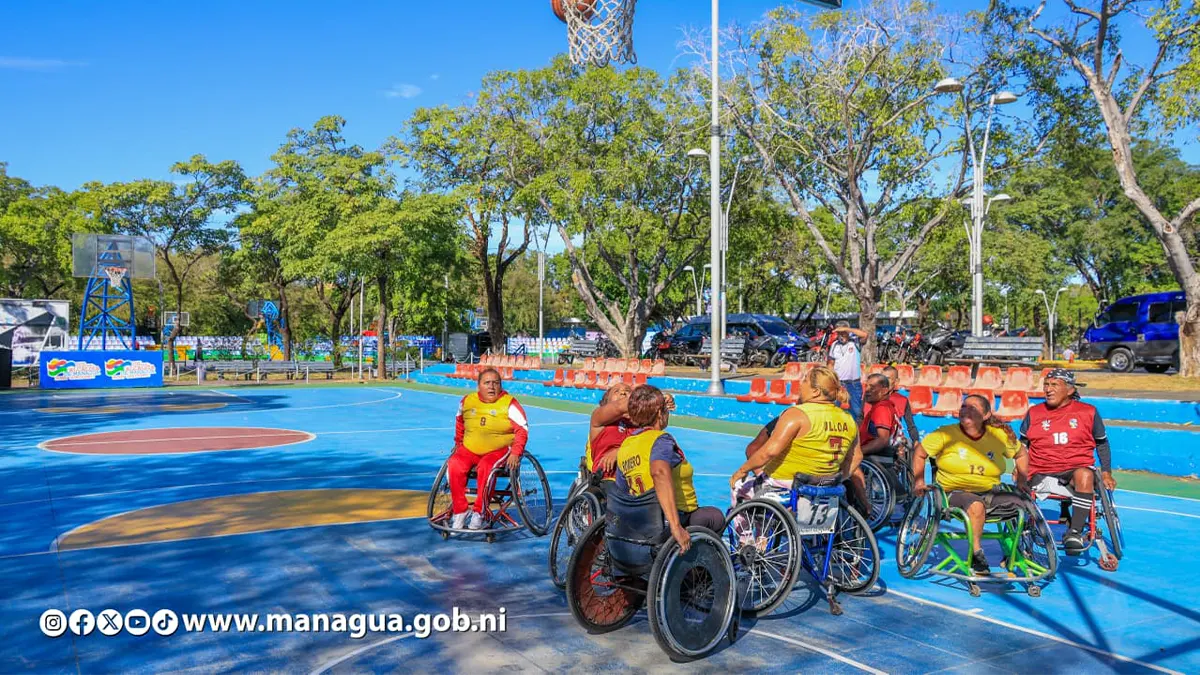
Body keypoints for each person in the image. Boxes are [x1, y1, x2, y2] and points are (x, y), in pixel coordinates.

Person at [911, 394, 1029, 576]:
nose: (965, 410)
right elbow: (919, 453)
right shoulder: (945, 433)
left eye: (972, 408)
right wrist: (919, 481)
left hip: (991, 492)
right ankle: (976, 554)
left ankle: (1017, 551)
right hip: (954, 492)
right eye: (963, 407)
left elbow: (1021, 454)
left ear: (986, 415)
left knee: (1025, 503)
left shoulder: (999, 436)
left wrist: (1022, 480)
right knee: (975, 505)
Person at [731, 366, 865, 509]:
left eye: (805, 380)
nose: (800, 384)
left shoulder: (797, 414)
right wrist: (839, 478)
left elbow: (769, 452)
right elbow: (857, 457)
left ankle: (746, 524)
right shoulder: (848, 419)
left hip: (786, 484)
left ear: (816, 391)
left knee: (739, 487)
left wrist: (742, 470)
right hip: (826, 487)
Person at [1017, 368, 1115, 555]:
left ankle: (1074, 533)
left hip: (1074, 470)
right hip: (1041, 471)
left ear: (1070, 390)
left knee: (1085, 474)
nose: (1048, 389)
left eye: (1054, 385)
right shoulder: (1034, 413)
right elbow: (1023, 444)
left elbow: (1102, 443)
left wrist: (1106, 472)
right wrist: (1019, 468)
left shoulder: (1088, 412)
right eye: (1046, 385)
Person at [615, 385, 724, 552]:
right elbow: (659, 472)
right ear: (660, 413)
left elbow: (622, 490)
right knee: (715, 517)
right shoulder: (661, 440)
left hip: (641, 520)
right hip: (668, 520)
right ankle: (700, 565)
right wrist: (676, 526)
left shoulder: (625, 445)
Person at [448, 368, 529, 530]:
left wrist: (516, 452)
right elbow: (460, 422)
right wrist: (458, 442)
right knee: (454, 464)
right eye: (487, 383)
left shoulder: (509, 404)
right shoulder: (467, 401)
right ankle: (460, 511)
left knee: (487, 467)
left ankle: (480, 512)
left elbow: (522, 430)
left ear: (500, 385)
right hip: (470, 448)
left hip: (498, 450)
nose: (491, 387)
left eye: (495, 383)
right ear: (479, 385)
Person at [827, 321, 869, 420]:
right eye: (839, 333)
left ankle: (856, 428)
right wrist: (830, 379)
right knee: (832, 409)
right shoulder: (834, 345)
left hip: (853, 384)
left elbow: (865, 335)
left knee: (856, 411)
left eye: (844, 333)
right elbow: (830, 364)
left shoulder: (855, 342)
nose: (841, 336)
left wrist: (847, 329)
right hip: (838, 383)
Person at [859, 374, 898, 457]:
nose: (867, 390)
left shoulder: (882, 409)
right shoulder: (882, 407)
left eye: (872, 387)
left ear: (884, 391)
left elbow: (882, 440)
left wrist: (859, 452)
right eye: (866, 386)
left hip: (876, 458)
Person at [881, 365, 920, 447]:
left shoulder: (902, 400)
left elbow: (911, 426)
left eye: (888, 379)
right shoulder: (869, 398)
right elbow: (861, 420)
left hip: (893, 441)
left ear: (896, 382)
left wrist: (916, 442)